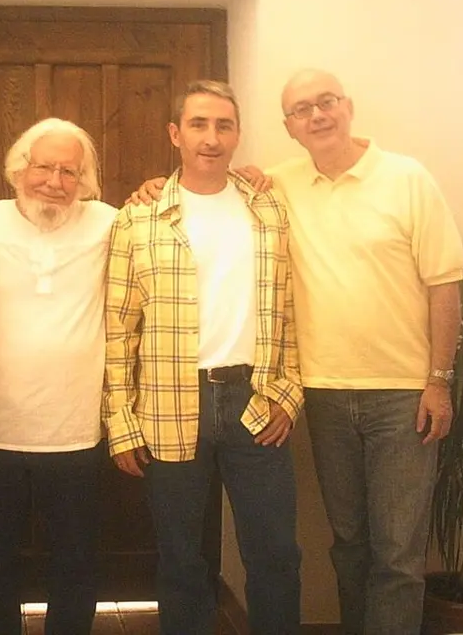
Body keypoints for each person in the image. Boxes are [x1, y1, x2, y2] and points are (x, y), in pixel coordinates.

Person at [133, 69, 463, 635]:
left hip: (399, 394)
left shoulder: (405, 178)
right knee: (351, 545)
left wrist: (438, 380)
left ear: (348, 105)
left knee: (397, 556)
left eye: (326, 102)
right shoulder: (274, 187)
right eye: (301, 109)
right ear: (287, 126)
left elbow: (445, 284)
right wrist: (153, 186)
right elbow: (211, 190)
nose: (317, 115)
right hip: (324, 394)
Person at [104, 80, 302, 635]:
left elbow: (291, 307)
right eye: (198, 124)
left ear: (237, 134)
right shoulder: (137, 218)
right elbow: (118, 330)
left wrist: (288, 394)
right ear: (175, 133)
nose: (211, 138)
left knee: (275, 554)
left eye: (224, 125)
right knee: (180, 560)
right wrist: (121, 423)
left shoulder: (268, 208)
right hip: (168, 406)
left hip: (255, 402)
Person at [0, 118, 116, 635]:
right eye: (44, 166)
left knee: (76, 562)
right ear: (19, 169)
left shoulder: (111, 223)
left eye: (70, 171)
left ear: (85, 180)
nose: (55, 181)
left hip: (75, 430)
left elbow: (174, 226)